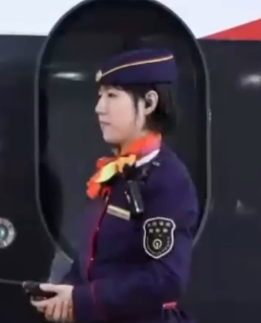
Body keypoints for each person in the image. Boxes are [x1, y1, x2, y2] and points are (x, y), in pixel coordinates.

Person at [31, 48, 199, 323]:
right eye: (100, 96)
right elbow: (93, 261)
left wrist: (82, 300)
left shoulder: (168, 180)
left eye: (112, 95)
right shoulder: (115, 172)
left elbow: (166, 278)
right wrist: (64, 293)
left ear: (149, 103)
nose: (99, 107)